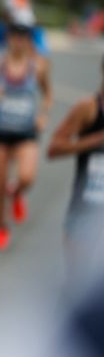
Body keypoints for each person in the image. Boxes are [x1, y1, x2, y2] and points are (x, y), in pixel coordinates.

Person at [0, 22, 52, 251]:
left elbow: (47, 94)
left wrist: (43, 115)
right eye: (14, 36)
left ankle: (15, 192)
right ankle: (2, 227)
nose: (18, 41)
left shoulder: (39, 67)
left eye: (23, 37)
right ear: (9, 38)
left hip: (26, 132)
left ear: (28, 40)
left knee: (27, 177)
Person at [47, 56, 104, 284]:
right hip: (85, 209)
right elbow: (54, 148)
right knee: (78, 284)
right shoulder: (88, 108)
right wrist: (95, 140)